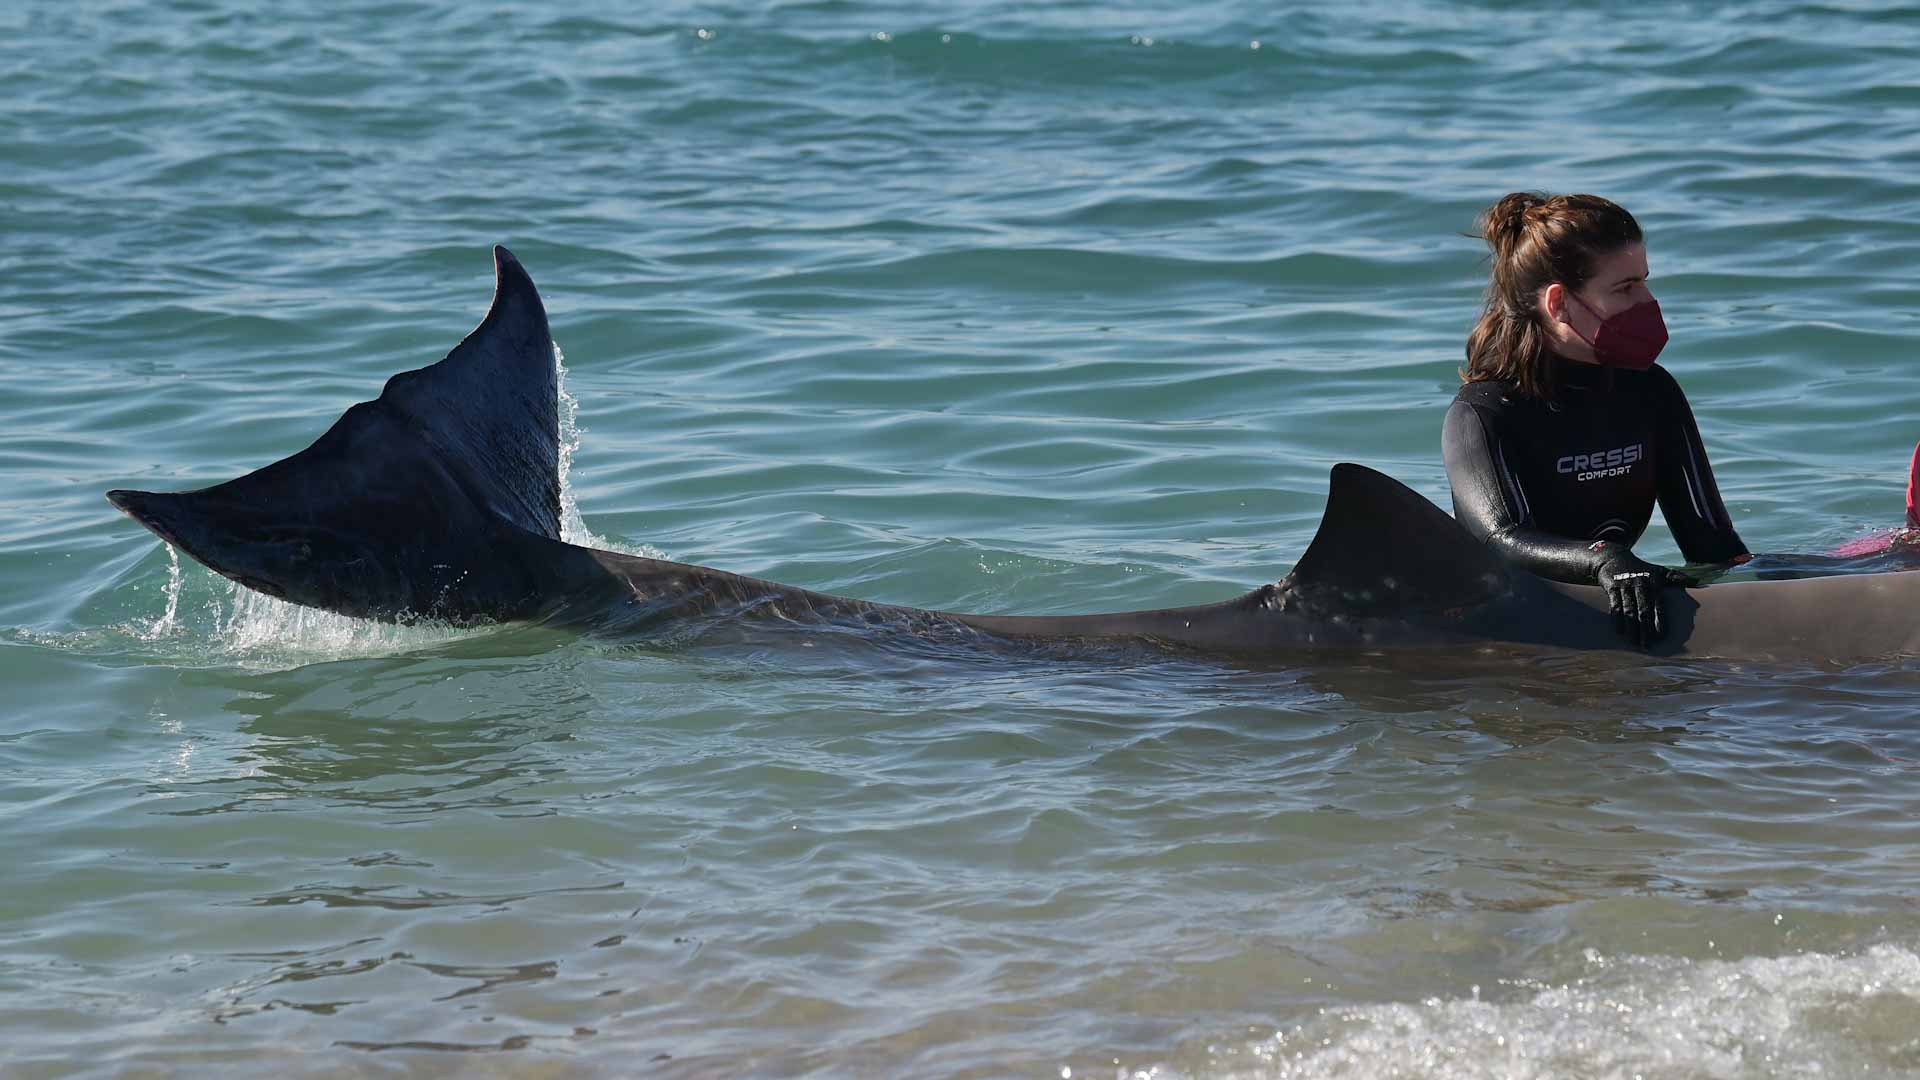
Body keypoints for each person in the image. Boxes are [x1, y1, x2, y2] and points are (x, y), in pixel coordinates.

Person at [1442, 192, 1749, 646]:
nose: (1647, 301)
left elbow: (1713, 546)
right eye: (1625, 288)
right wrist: (1603, 560)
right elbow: (1500, 541)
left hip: (1601, 613)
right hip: (1499, 635)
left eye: (1644, 281)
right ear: (1559, 304)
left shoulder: (1651, 391)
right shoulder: (1484, 413)